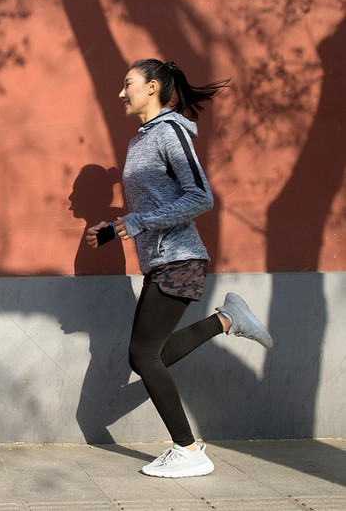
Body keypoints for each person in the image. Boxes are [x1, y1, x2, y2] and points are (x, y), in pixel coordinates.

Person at [86, 58, 274, 478]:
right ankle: (226, 320)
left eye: (128, 84)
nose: (121, 92)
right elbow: (153, 206)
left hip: (181, 258)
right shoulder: (140, 141)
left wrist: (133, 222)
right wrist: (115, 227)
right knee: (146, 356)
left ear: (153, 87)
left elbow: (201, 197)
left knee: (142, 355)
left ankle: (188, 450)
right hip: (162, 260)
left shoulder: (170, 132)